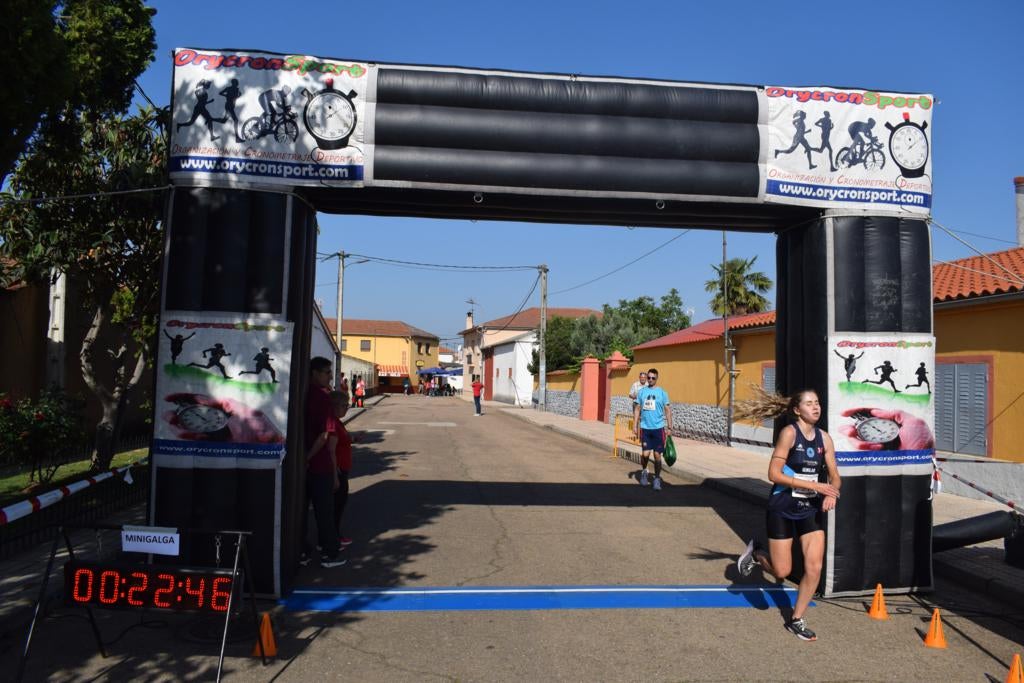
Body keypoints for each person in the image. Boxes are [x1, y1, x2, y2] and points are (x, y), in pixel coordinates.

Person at [736, 389, 841, 642]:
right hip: (782, 505)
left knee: (814, 567)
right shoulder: (789, 433)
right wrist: (816, 486)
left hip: (809, 508)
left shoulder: (824, 439)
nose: (816, 407)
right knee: (782, 572)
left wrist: (832, 492)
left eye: (817, 403)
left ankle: (796, 619)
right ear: (797, 409)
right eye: (809, 403)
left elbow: (835, 474)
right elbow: (774, 474)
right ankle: (758, 554)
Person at [303, 357, 345, 568]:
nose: (330, 376)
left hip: (306, 466)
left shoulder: (306, 394)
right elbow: (326, 436)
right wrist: (308, 458)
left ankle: (303, 551)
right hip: (320, 465)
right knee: (324, 511)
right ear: (314, 373)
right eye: (327, 372)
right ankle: (330, 553)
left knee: (302, 510)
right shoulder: (322, 398)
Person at [323, 391, 355, 549]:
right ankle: (333, 539)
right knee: (337, 507)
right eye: (344, 405)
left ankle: (333, 536)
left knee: (338, 506)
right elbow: (331, 451)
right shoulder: (333, 424)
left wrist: (353, 439)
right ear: (334, 406)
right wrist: (335, 475)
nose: (347, 408)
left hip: (342, 470)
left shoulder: (337, 422)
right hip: (339, 471)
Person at [632, 368, 672, 491]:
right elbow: (637, 409)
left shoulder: (662, 393)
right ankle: (644, 471)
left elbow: (667, 410)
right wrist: (635, 425)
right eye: (648, 377)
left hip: (658, 428)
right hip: (645, 428)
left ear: (656, 378)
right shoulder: (642, 392)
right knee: (645, 454)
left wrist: (670, 427)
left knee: (657, 455)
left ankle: (657, 479)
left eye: (652, 378)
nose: (650, 380)